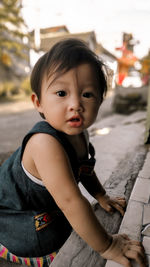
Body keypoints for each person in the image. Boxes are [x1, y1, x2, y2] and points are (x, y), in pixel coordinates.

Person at [0, 38, 147, 267]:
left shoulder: (79, 133)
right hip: (23, 222)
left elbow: (84, 169)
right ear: (38, 102)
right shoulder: (44, 144)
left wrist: (101, 195)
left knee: (80, 214)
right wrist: (107, 245)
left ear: (100, 100)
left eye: (87, 94)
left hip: (49, 207)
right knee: (66, 236)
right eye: (61, 93)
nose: (76, 104)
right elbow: (70, 201)